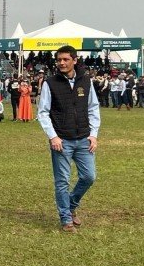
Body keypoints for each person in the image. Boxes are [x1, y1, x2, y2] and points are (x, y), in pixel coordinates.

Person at [37, 45, 100, 233]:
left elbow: (93, 108)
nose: (62, 63)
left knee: (89, 176)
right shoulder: (50, 83)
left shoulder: (86, 82)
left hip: (83, 139)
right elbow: (43, 112)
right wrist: (53, 136)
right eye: (59, 60)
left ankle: (71, 205)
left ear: (75, 60)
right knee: (62, 181)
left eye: (65, 59)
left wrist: (93, 134)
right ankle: (66, 218)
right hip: (61, 141)